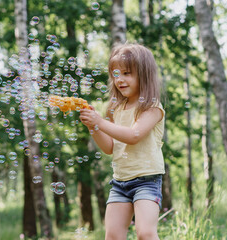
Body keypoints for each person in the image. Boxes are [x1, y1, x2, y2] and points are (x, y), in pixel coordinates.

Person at [80, 43, 165, 240]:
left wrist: (100, 122)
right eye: (116, 74)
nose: (120, 79)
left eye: (127, 73)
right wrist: (94, 127)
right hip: (120, 182)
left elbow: (134, 136)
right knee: (113, 236)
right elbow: (109, 147)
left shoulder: (152, 107)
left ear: (143, 75)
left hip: (147, 180)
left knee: (145, 232)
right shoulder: (116, 108)